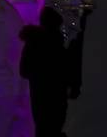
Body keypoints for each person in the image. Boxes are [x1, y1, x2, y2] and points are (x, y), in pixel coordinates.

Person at [19, 7, 71, 136]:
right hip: (56, 93)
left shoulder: (33, 41)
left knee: (44, 126)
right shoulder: (58, 43)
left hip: (40, 93)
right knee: (53, 126)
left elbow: (24, 70)